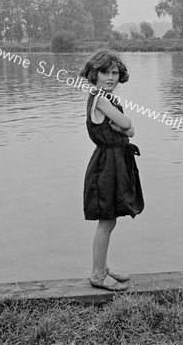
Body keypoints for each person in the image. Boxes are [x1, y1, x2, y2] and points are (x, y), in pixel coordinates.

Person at [79, 49, 144, 291]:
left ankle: (103, 267)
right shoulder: (100, 98)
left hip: (115, 162)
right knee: (106, 221)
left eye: (115, 72)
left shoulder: (108, 98)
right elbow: (127, 125)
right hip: (105, 165)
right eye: (104, 72)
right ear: (94, 74)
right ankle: (97, 275)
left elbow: (130, 132)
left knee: (110, 219)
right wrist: (124, 127)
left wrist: (124, 129)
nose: (110, 77)